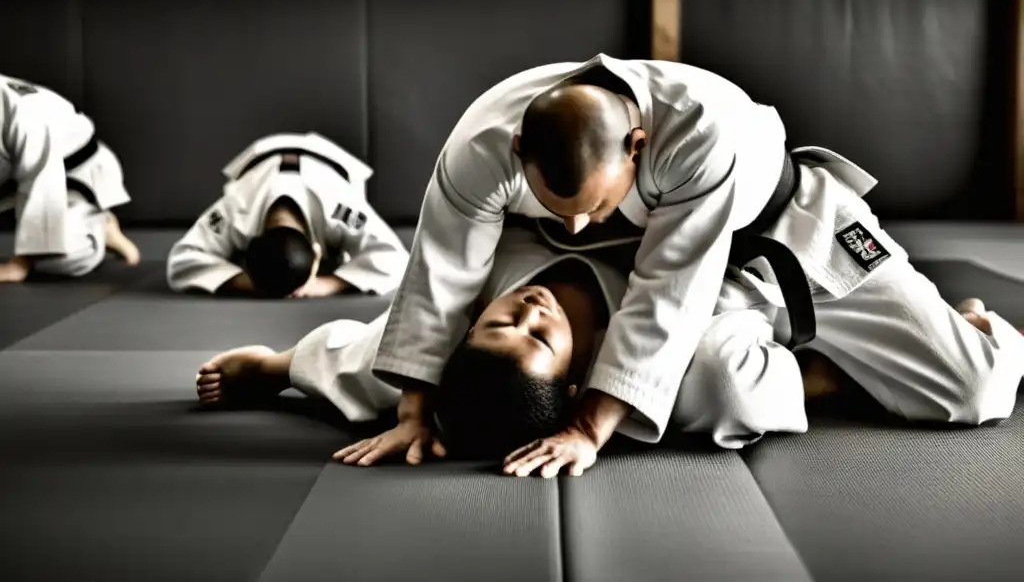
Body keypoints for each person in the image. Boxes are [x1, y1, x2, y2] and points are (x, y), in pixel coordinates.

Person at [364, 53, 1024, 476]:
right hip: (652, 264)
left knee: (972, 391)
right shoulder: (483, 141)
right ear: (518, 147)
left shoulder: (704, 129)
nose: (571, 228)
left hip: (792, 233)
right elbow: (439, 272)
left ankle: (958, 326)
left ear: (638, 147)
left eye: (591, 206)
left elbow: (667, 292)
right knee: (706, 385)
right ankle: (824, 375)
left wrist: (588, 430)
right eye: (555, 207)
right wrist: (414, 412)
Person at [194, 227, 1015, 473]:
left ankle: (934, 326)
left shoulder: (477, 294)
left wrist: (278, 367)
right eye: (538, 334)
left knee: (970, 376)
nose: (527, 310)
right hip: (755, 302)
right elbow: (734, 388)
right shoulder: (674, 364)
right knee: (981, 388)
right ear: (581, 376)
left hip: (787, 229)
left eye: (500, 322)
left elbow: (366, 352)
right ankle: (839, 374)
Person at [166, 132, 408, 298]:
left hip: (332, 162)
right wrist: (244, 282)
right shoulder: (234, 209)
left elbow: (398, 259)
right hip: (256, 161)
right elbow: (181, 260)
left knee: (345, 256)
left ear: (317, 252)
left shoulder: (341, 207)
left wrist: (329, 284)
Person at [1, 74, 139, 282]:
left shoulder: (26, 113)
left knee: (58, 259)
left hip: (73, 174)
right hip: (17, 179)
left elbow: (42, 179)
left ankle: (98, 227)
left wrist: (21, 264)